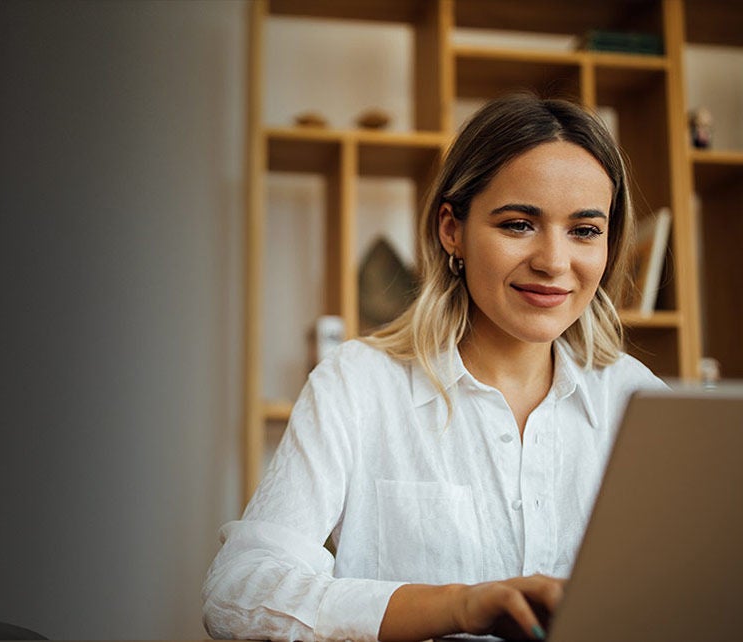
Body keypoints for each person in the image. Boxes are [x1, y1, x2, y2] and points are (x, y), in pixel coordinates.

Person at [202, 93, 668, 642]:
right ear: (452, 229)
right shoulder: (358, 383)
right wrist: (459, 605)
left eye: (585, 230)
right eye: (519, 224)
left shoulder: (643, 401)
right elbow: (239, 592)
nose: (553, 262)